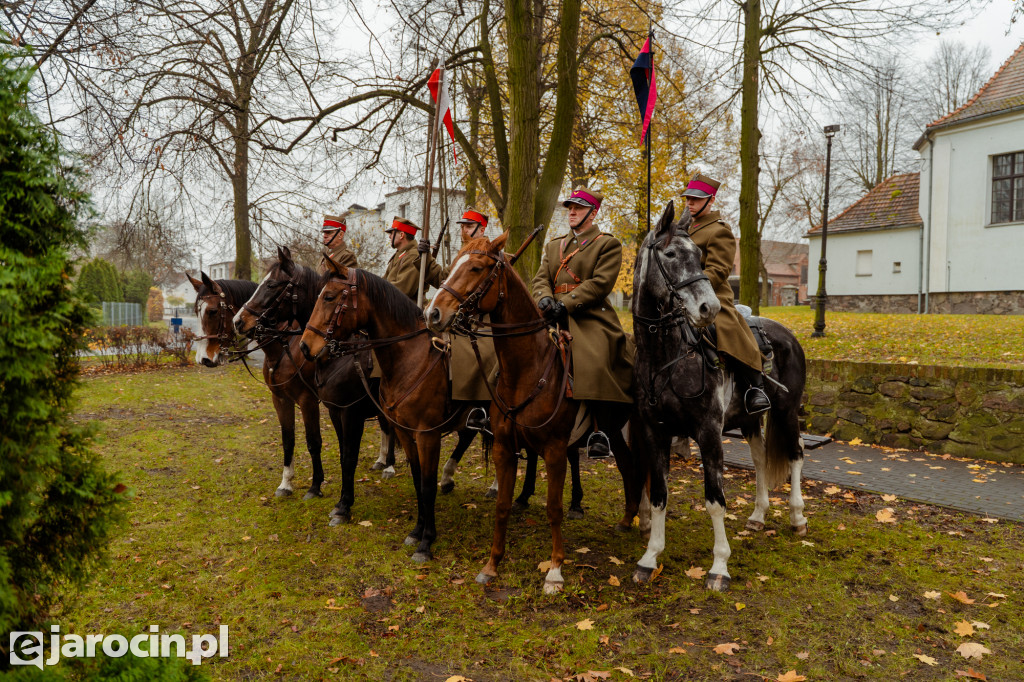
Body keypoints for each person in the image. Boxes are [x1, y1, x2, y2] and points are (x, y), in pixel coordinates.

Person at [531, 187, 634, 458]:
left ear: (593, 212)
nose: (572, 212)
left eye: (578, 208)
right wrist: (543, 300)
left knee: (595, 357)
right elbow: (541, 277)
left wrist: (564, 303)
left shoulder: (606, 244)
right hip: (550, 314)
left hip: (589, 316)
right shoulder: (555, 245)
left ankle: (600, 430)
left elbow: (600, 284)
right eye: (570, 208)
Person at [682, 173, 770, 414]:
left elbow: (718, 270)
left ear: (710, 200)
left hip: (710, 296)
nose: (690, 203)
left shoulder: (718, 231)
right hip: (678, 297)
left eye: (696, 199)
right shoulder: (682, 229)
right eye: (688, 198)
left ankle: (755, 385)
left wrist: (689, 286)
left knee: (726, 327)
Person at [383, 216, 443, 300]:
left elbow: (403, 289)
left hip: (408, 310)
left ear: (401, 235)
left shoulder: (414, 255)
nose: (389, 237)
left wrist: (379, 290)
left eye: (392, 233)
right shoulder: (401, 254)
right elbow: (384, 279)